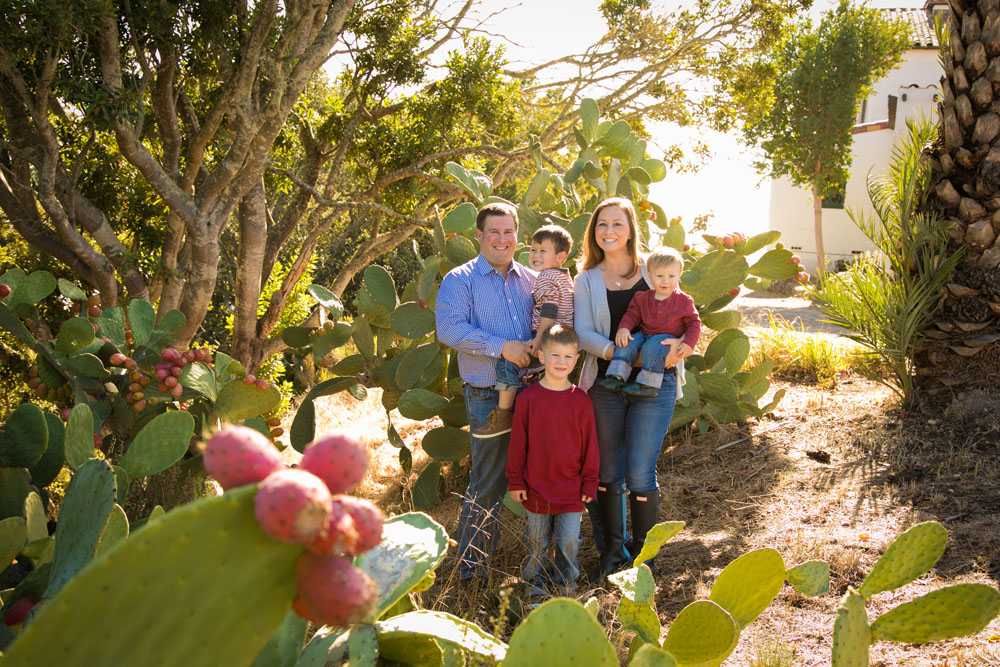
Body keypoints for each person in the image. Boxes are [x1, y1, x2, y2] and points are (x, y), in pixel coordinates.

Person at [574, 197, 695, 576]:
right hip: (605, 384)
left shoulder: (654, 269)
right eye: (602, 224)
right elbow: (583, 333)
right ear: (593, 232)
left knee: (641, 473)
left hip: (655, 385)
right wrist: (621, 354)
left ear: (631, 231)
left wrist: (682, 345)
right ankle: (612, 556)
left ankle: (644, 561)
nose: (609, 231)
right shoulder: (586, 279)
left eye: (617, 224)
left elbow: (686, 313)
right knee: (608, 472)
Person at [435, 201, 536, 581]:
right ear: (478, 235)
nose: (501, 239)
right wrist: (502, 347)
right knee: (489, 480)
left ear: (517, 235)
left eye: (508, 231)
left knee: (541, 473)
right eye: (493, 231)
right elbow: (449, 329)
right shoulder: (460, 280)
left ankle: (539, 563)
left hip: (535, 392)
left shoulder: (531, 279)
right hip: (487, 395)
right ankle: (472, 571)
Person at [505, 324, 599, 596]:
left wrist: (590, 482)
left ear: (576, 360)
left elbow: (591, 446)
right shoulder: (528, 399)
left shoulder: (581, 401)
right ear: (542, 356)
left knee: (568, 540)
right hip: (536, 485)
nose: (561, 362)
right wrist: (516, 480)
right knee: (536, 541)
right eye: (555, 355)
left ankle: (566, 584)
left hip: (571, 488)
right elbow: (518, 443)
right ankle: (533, 586)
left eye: (568, 356)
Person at [474, 224, 575, 438]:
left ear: (560, 257)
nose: (535, 256)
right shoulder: (565, 277)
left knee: (508, 361)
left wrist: (539, 339)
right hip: (564, 341)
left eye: (543, 251)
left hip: (549, 338)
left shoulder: (546, 277)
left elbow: (549, 310)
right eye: (533, 250)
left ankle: (502, 414)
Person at [597, 246, 700, 397]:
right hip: (644, 333)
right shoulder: (642, 297)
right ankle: (616, 377)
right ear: (650, 276)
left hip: (666, 338)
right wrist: (624, 328)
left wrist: (688, 343)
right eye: (660, 276)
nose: (665, 281)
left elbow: (694, 322)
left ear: (679, 276)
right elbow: (631, 315)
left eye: (671, 276)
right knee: (626, 343)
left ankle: (648, 384)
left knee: (651, 347)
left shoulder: (684, 300)